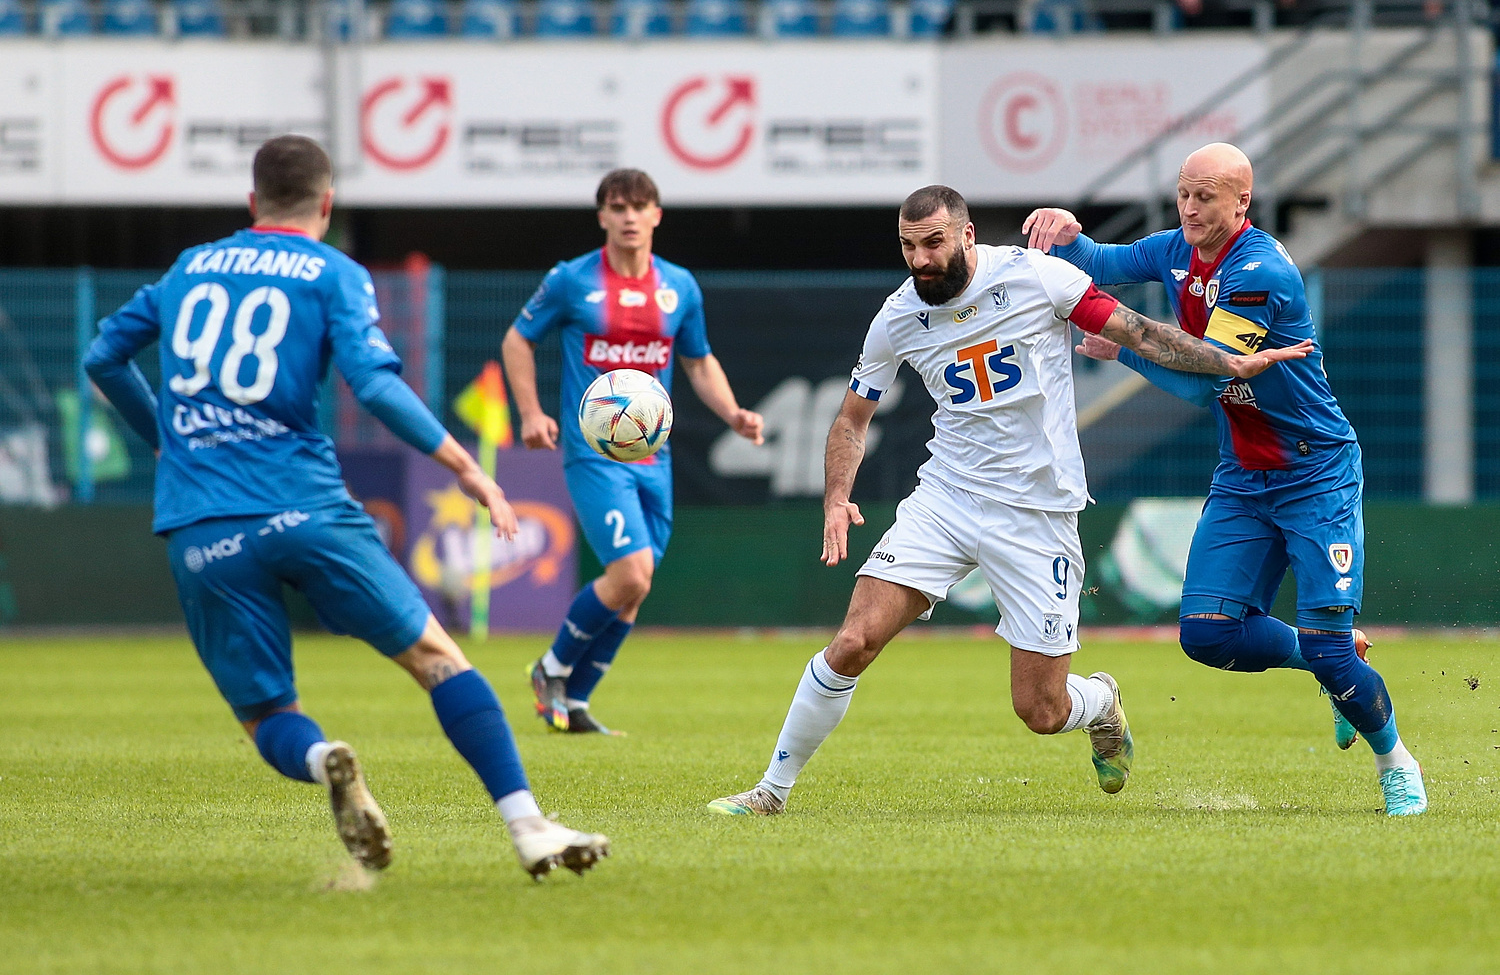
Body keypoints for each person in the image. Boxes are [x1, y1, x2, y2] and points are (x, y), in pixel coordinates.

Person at [82, 135, 611, 878]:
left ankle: (326, 756)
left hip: (202, 523)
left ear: (250, 201)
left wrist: (169, 442)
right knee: (435, 659)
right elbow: (374, 383)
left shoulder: (188, 268)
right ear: (326, 205)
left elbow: (103, 355)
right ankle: (528, 826)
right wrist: (464, 466)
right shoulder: (333, 273)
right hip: (306, 506)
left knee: (266, 715)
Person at [707, 185, 1310, 816]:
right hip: (948, 496)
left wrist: (1227, 364)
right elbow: (852, 420)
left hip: (1038, 513)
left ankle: (1100, 701)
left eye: (934, 243)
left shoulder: (1037, 277)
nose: (921, 260)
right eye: (909, 246)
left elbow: (1140, 334)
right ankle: (771, 792)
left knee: (1040, 711)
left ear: (967, 236)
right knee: (854, 641)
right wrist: (837, 497)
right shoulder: (896, 317)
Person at [1023, 142, 1428, 816]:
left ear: (1241, 203)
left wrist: (1123, 349)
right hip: (1243, 475)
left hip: (1314, 472)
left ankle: (1397, 764)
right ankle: (1328, 664)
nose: (1189, 207)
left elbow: (1206, 383)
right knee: (1207, 634)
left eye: (1204, 196)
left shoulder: (1261, 272)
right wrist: (1070, 233)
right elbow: (1100, 263)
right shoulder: (1174, 248)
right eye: (1183, 193)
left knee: (1331, 650)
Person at [502, 169, 763, 736]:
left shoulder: (678, 287)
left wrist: (734, 413)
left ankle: (572, 705)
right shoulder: (571, 281)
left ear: (656, 215)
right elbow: (517, 338)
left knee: (636, 587)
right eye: (616, 206)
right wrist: (529, 412)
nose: (627, 216)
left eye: (638, 206)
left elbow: (697, 360)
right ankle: (549, 669)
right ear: (601, 216)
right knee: (631, 570)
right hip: (594, 452)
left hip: (654, 456)